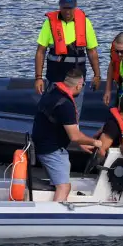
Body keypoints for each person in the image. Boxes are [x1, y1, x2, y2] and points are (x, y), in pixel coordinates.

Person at [31, 66, 102, 202]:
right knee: (64, 187)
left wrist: (82, 144)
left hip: (42, 142)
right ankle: (55, 217)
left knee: (60, 183)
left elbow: (59, 126)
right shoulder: (65, 105)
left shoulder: (52, 92)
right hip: (51, 150)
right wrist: (95, 142)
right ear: (78, 85)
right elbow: (74, 136)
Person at [35, 0, 102, 99]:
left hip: (76, 78)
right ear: (60, 7)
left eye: (70, 8)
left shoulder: (85, 23)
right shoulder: (49, 23)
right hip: (55, 76)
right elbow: (40, 51)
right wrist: (38, 77)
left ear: (75, 7)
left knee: (73, 112)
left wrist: (97, 75)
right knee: (53, 109)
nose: (67, 11)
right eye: (65, 8)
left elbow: (92, 51)